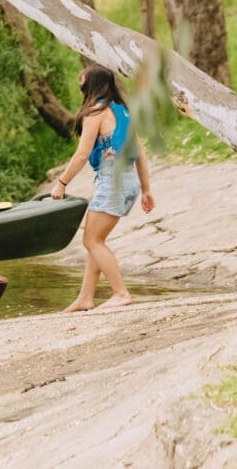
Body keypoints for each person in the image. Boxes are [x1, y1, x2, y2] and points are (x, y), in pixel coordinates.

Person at [51, 64, 155, 312]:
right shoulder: (122, 111)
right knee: (95, 241)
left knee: (91, 240)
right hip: (128, 181)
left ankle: (120, 293)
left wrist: (61, 183)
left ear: (91, 83)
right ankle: (86, 297)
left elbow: (81, 154)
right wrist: (146, 189)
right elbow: (140, 153)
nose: (80, 81)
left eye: (82, 79)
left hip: (113, 182)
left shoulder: (95, 113)